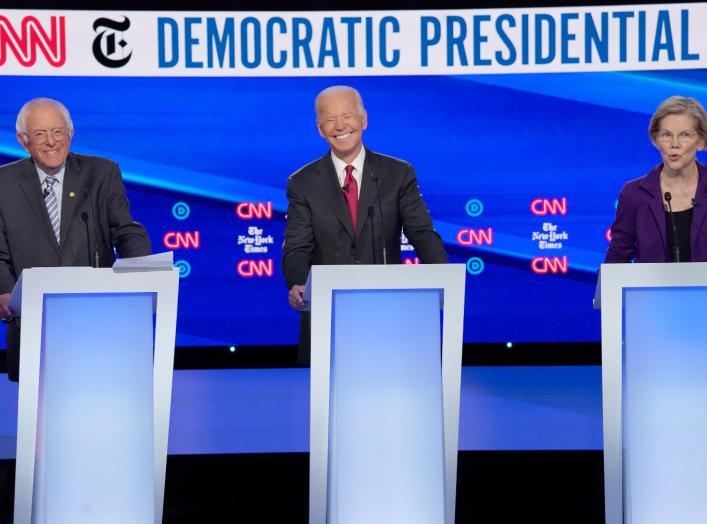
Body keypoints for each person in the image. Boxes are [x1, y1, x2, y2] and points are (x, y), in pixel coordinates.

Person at [282, 85, 447, 364]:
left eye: (347, 115)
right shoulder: (302, 182)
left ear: (364, 120)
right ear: (320, 129)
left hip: (390, 314)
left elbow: (421, 233)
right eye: (330, 119)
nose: (340, 126)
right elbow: (297, 247)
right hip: (327, 315)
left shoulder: (397, 174)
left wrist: (444, 278)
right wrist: (299, 282)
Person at [0, 98, 151, 381]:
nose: (51, 142)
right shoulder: (3, 183)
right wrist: (5, 293)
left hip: (97, 316)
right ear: (23, 141)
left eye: (58, 132)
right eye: (40, 134)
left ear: (71, 134)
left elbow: (125, 229)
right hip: (34, 320)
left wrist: (143, 270)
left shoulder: (102, 173)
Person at [605, 96, 707, 263]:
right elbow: (619, 255)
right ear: (656, 140)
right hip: (651, 289)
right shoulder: (634, 194)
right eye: (666, 135)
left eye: (685, 135)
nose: (675, 144)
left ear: (701, 141)